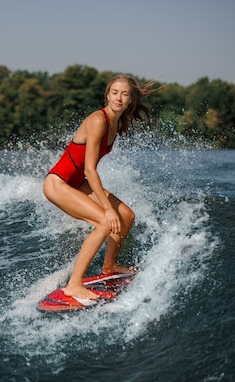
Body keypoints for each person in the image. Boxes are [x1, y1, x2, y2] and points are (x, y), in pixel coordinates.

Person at [43, 74, 159, 302]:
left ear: (130, 100)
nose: (119, 97)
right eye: (115, 92)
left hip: (77, 183)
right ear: (107, 95)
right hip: (58, 183)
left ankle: (109, 266)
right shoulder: (98, 120)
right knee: (106, 221)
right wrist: (107, 208)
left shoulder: (116, 123)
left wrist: (111, 208)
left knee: (126, 215)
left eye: (125, 94)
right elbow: (89, 170)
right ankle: (74, 285)